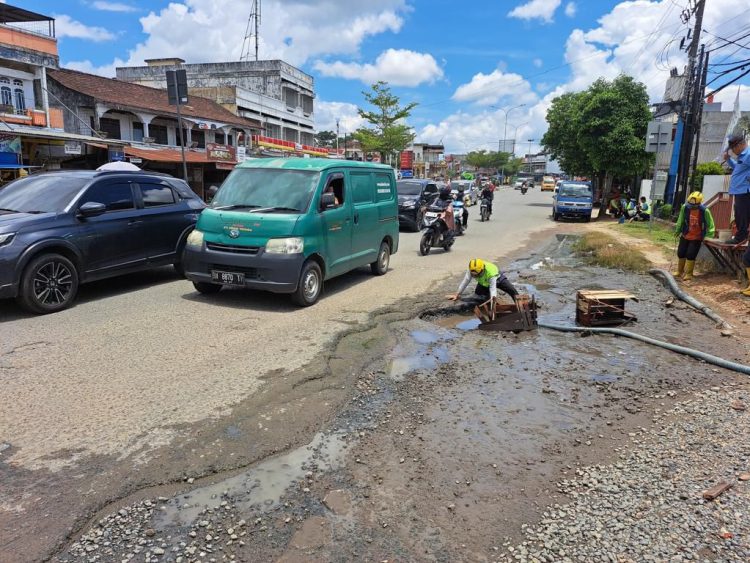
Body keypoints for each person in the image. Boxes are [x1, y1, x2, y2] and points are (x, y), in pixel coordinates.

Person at [673, 191, 715, 281]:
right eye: (690, 204)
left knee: (690, 254)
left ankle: (689, 274)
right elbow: (680, 219)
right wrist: (677, 230)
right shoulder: (685, 207)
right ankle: (679, 271)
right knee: (681, 252)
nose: (692, 206)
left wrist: (709, 235)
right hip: (685, 234)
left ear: (699, 203)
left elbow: (711, 225)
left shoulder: (705, 211)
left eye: (694, 205)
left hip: (697, 236)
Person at [447, 258, 519, 303]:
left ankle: (521, 307)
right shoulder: (471, 269)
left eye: (477, 274)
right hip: (484, 283)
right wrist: (457, 294)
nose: (475, 276)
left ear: (482, 269)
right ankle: (486, 305)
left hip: (498, 280)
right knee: (478, 297)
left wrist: (493, 300)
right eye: (474, 275)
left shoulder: (491, 273)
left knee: (512, 291)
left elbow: (493, 289)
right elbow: (465, 281)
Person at [722, 132, 750, 245]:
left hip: (744, 190)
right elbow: (738, 168)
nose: (732, 151)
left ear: (739, 145)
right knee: (739, 213)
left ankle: (741, 238)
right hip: (739, 191)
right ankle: (742, 236)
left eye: (733, 148)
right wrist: (728, 159)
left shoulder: (748, 155)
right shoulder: (742, 156)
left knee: (742, 214)